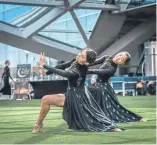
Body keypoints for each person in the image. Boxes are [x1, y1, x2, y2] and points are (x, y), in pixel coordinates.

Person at [32, 49, 122, 133]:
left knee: (45, 99)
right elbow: (63, 65)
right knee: (46, 100)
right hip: (77, 93)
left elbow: (62, 72)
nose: (79, 56)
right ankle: (38, 124)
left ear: (86, 62)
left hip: (76, 97)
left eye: (82, 56)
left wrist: (44, 65)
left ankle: (38, 124)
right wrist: (46, 73)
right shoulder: (78, 60)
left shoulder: (76, 72)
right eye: (80, 53)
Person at [87, 52, 145, 123]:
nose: (119, 57)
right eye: (120, 54)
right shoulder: (107, 58)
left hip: (103, 89)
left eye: (122, 59)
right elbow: (92, 63)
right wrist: (82, 65)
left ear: (122, 63)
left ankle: (136, 118)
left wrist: (85, 70)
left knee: (112, 109)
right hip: (97, 86)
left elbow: (98, 71)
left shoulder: (112, 69)